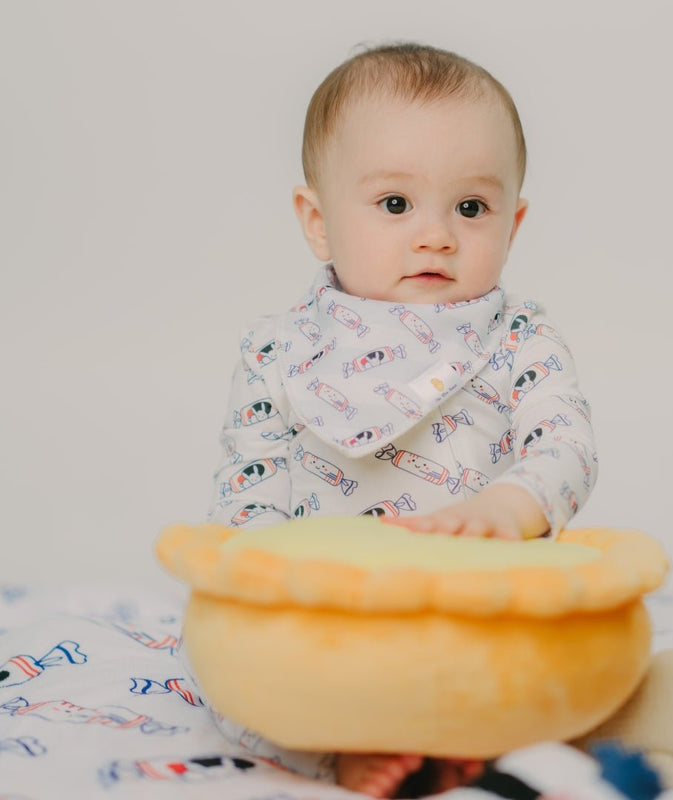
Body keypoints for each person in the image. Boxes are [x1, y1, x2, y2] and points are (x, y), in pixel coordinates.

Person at [206, 42, 598, 798]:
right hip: (329, 611)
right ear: (317, 222)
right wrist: (265, 584)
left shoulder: (523, 340)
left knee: (569, 652)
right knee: (233, 656)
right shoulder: (278, 352)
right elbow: (246, 490)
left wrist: (507, 509)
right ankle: (338, 748)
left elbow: (568, 445)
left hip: (473, 607)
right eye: (395, 204)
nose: (436, 235)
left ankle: (471, 740)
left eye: (472, 208)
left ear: (512, 223)